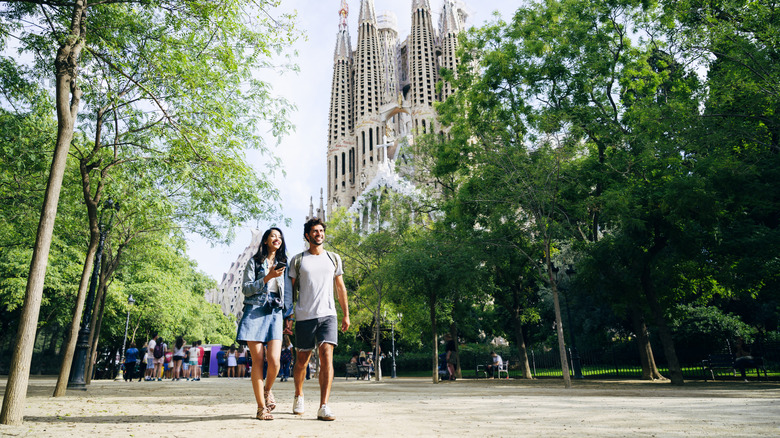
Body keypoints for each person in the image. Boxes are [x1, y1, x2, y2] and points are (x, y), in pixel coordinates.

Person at [286, 217, 350, 421]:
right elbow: (290, 290)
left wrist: (345, 314)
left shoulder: (333, 258)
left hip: (328, 315)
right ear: (307, 235)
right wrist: (288, 315)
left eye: (321, 231)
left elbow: (340, 288)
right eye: (315, 231)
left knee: (326, 356)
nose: (319, 234)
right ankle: (299, 395)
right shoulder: (298, 260)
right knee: (302, 360)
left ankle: (324, 405)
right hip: (304, 316)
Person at [236, 227, 294, 421]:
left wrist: (289, 316)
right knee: (258, 361)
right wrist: (267, 277)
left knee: (275, 360)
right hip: (255, 311)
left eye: (279, 237)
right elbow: (246, 288)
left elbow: (287, 293)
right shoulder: (254, 262)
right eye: (273, 236)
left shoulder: (283, 263)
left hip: (275, 312)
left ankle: (267, 389)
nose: (277, 239)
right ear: (266, 241)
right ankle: (261, 407)